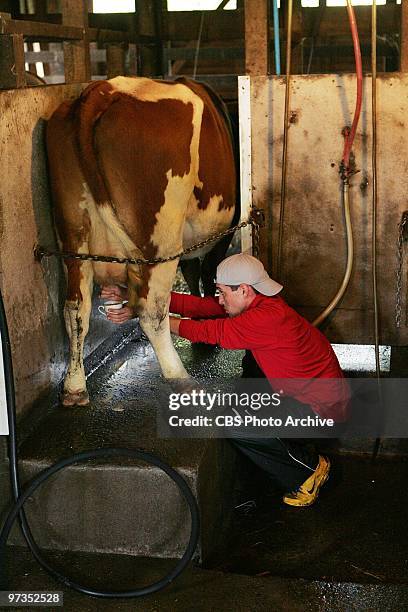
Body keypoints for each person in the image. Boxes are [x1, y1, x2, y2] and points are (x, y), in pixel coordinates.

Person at [101, 253, 350, 507]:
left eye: (221, 292)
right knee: (250, 372)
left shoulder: (266, 319)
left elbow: (207, 332)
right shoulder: (261, 302)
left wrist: (145, 315)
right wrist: (135, 298)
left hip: (322, 413)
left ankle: (309, 472)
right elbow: (196, 307)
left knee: (235, 422)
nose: (218, 298)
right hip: (307, 396)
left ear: (243, 289)